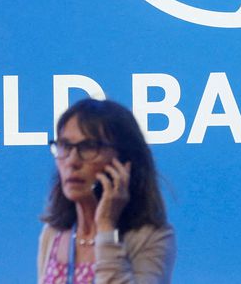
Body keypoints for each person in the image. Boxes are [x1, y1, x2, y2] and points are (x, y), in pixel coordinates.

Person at [38, 98, 175, 284]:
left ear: (123, 162)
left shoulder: (151, 238)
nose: (72, 161)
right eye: (65, 146)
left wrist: (106, 227)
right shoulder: (54, 233)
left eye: (88, 147)